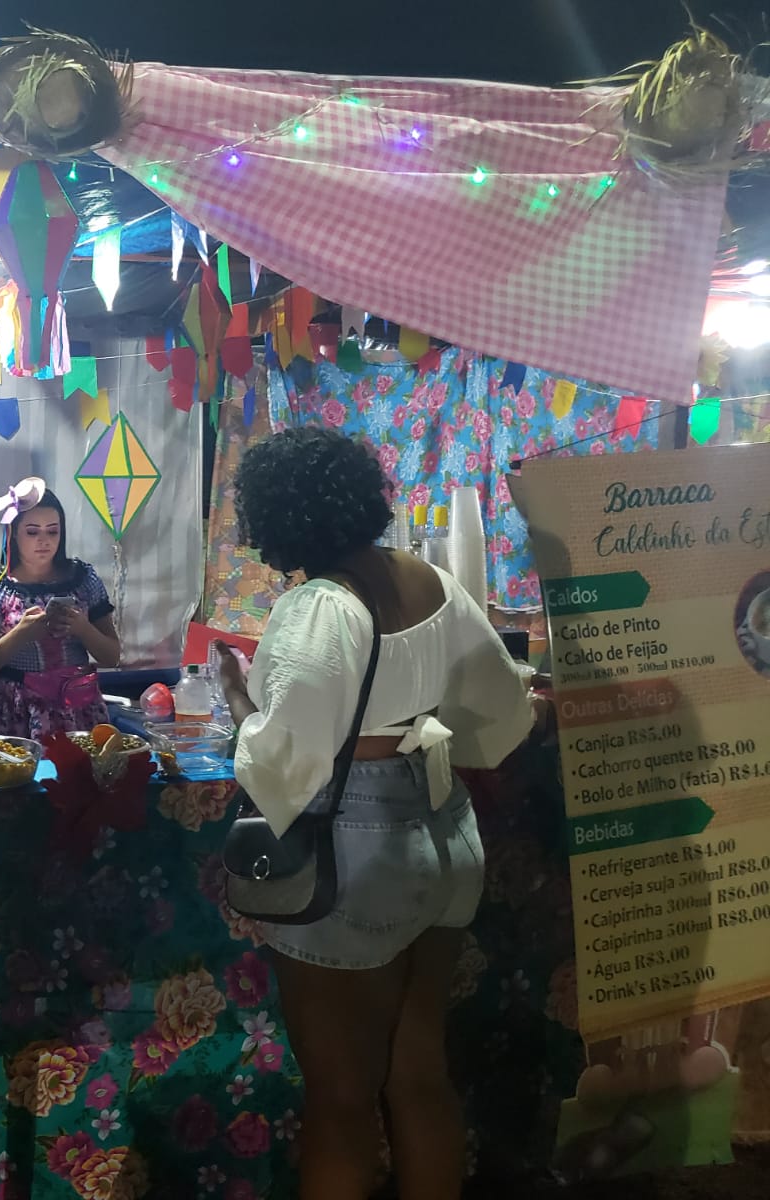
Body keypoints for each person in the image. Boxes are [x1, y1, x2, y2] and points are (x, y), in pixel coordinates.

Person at [216, 427, 531, 1200]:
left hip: (356, 849)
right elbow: (502, 715)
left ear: (276, 517)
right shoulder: (432, 581)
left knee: (341, 1100)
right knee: (418, 1077)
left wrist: (239, 703)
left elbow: (287, 768)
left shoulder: (319, 605)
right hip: (444, 828)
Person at [0, 477, 121, 738]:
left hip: (76, 709)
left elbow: (112, 656)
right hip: (14, 712)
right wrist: (20, 634)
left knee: (76, 764)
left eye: (52, 531)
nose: (44, 540)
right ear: (13, 532)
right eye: (32, 531)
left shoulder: (83, 579)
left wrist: (83, 629)